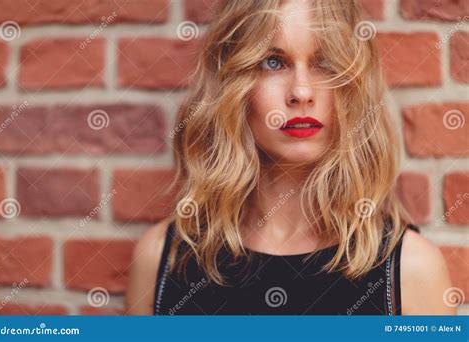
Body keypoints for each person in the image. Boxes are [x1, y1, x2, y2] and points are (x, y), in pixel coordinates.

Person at [125, 0, 455, 315]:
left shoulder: (412, 271)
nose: (301, 92)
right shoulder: (161, 261)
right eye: (273, 62)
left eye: (325, 62)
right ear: (231, 83)